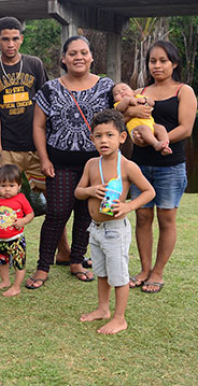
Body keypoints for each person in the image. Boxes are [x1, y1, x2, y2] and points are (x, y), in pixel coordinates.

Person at [25, 35, 114, 289]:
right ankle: (43, 266)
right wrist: (44, 159)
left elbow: (118, 117)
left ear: (91, 57)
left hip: (94, 164)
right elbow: (39, 126)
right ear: (63, 58)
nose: (78, 57)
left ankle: (76, 260)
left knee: (86, 213)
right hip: (59, 162)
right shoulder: (50, 89)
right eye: (72, 53)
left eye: (83, 52)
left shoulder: (106, 86)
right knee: (57, 212)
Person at [0, 16, 72, 266]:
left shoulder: (34, 64)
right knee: (1, 203)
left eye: (15, 38)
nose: (11, 44)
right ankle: (4, 253)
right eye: (5, 39)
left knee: (55, 204)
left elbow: (48, 101)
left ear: (21, 39)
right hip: (7, 149)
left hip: (36, 147)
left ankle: (64, 251)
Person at [74, 109, 155, 334]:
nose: (103, 140)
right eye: (98, 136)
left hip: (115, 230)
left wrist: (128, 206)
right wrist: (90, 190)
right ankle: (102, 309)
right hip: (96, 229)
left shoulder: (127, 166)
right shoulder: (91, 164)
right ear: (92, 139)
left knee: (119, 276)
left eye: (109, 135)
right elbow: (78, 192)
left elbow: (149, 192)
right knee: (101, 272)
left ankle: (120, 318)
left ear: (121, 137)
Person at [128, 41, 197, 294]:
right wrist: (136, 135)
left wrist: (160, 142)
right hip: (139, 166)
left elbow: (186, 128)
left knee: (166, 218)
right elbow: (127, 119)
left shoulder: (183, 91)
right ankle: (145, 269)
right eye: (152, 61)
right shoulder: (140, 91)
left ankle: (158, 272)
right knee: (143, 217)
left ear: (174, 63)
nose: (157, 65)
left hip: (170, 165)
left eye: (163, 61)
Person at [0, 164, 35, 297]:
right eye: (3, 186)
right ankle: (5, 281)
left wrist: (23, 221)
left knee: (18, 263)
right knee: (2, 261)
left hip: (16, 240)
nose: (7, 189)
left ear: (19, 186)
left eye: (11, 186)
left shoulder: (21, 199)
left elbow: (31, 214)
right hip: (0, 240)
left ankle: (16, 287)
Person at [112, 82, 171, 155]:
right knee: (144, 129)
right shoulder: (119, 104)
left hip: (151, 125)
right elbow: (119, 109)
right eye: (117, 93)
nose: (122, 92)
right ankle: (156, 144)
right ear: (114, 100)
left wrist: (146, 100)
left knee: (160, 128)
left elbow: (152, 103)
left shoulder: (139, 97)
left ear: (133, 92)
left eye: (124, 89)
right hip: (137, 129)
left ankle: (165, 145)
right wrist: (127, 100)